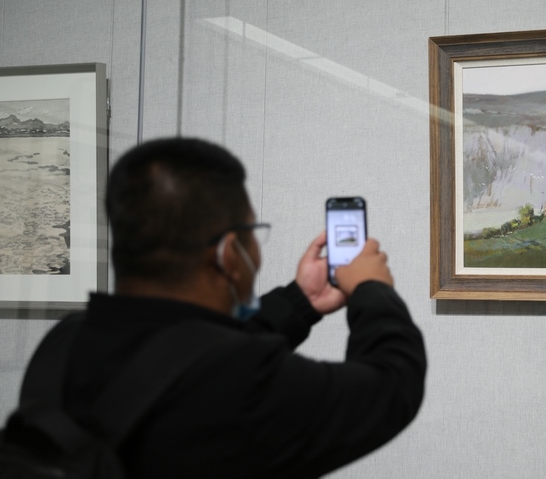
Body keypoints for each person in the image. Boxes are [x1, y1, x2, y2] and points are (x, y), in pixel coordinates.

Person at [18, 137, 426, 478]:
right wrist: (371, 287)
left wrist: (300, 302)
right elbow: (393, 385)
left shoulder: (63, 344)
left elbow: (179, 355)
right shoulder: (243, 380)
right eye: (252, 233)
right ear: (229, 254)